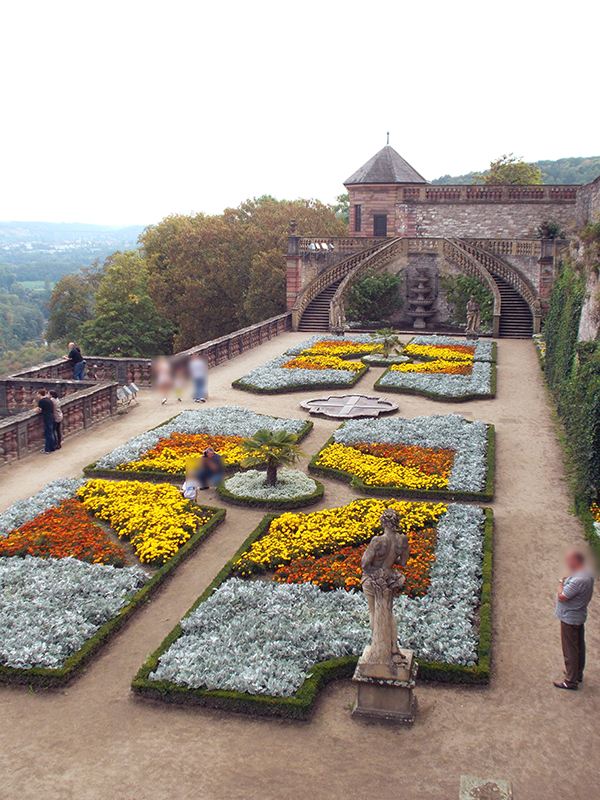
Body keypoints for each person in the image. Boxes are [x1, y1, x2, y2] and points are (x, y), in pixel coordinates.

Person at [554, 548, 595, 690]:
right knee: (578, 646)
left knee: (570, 649)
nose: (567, 562)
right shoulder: (586, 572)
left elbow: (562, 596)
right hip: (578, 615)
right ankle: (577, 673)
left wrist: (561, 581)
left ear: (576, 561)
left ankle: (571, 681)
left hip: (569, 617)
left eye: (569, 560)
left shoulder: (578, 580)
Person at [34, 389, 55, 453]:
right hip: (51, 416)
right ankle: (52, 447)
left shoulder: (42, 401)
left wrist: (35, 410)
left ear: (40, 394)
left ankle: (47, 449)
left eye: (37, 394)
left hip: (47, 418)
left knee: (48, 433)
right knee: (51, 432)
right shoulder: (48, 399)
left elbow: (37, 410)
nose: (36, 395)